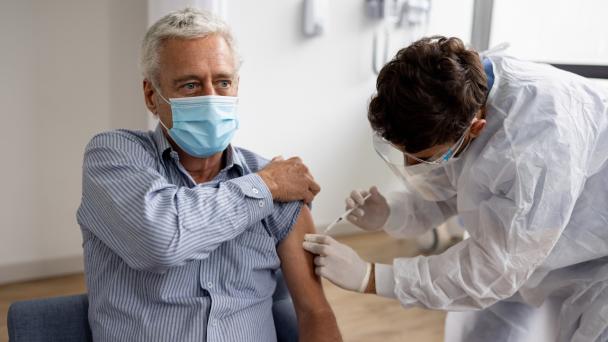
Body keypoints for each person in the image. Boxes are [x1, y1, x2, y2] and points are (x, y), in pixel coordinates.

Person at [303, 36, 608, 341]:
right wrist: (392, 212)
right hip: (530, 246)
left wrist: (371, 277)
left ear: (476, 128)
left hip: (597, 265)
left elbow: (493, 271)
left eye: (424, 158)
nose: (411, 167)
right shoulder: (459, 87)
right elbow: (460, 185)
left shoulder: (533, 150)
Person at [77, 8, 341, 342]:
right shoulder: (114, 155)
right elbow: (160, 241)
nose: (211, 98)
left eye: (222, 82)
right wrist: (267, 185)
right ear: (151, 97)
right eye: (190, 85)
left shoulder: (277, 183)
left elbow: (315, 313)